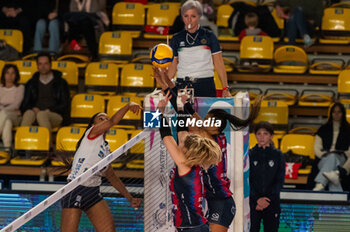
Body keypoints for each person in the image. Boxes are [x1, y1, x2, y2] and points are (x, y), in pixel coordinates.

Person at [154, 67, 262, 232]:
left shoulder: (208, 142)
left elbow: (176, 127)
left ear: (216, 127)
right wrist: (165, 82)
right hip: (211, 202)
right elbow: (182, 113)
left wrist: (166, 105)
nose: (202, 121)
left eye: (207, 120)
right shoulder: (208, 137)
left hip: (221, 202)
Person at [60, 102, 142, 231]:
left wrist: (130, 198)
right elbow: (114, 121)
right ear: (94, 125)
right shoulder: (91, 133)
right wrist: (128, 106)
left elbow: (111, 176)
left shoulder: (106, 148)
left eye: (106, 119)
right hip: (75, 188)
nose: (105, 121)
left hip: (93, 192)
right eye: (101, 119)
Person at [158, 92, 222, 232]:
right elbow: (182, 133)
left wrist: (160, 112)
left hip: (191, 228)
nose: (181, 142)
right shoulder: (194, 162)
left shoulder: (183, 163)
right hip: (197, 226)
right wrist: (180, 107)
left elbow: (166, 136)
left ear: (187, 150)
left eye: (183, 144)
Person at [167, 0, 231, 98]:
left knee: (206, 114)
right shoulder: (176, 38)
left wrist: (225, 88)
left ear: (199, 16)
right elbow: (172, 66)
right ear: (182, 17)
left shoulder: (209, 35)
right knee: (184, 113)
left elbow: (219, 63)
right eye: (186, 16)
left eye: (193, 16)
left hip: (206, 84)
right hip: (183, 85)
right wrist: (165, 87)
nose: (189, 20)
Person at [249, 121, 285, 232]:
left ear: (271, 136)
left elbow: (280, 180)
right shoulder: (249, 154)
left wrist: (267, 200)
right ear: (255, 136)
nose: (262, 137)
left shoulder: (278, 155)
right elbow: (248, 180)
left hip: (272, 203)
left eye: (265, 134)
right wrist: (257, 200)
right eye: (259, 133)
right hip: (254, 204)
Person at [20, 52, 70, 132]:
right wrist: (33, 108)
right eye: (40, 64)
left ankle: (47, 143)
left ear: (50, 64)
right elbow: (24, 104)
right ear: (37, 66)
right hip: (36, 113)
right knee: (29, 113)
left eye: (46, 63)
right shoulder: (31, 83)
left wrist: (50, 110)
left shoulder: (61, 82)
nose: (43, 67)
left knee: (42, 115)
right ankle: (22, 141)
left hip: (55, 114)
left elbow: (65, 104)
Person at [312, 102, 350, 191]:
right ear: (331, 113)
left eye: (339, 112)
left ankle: (320, 183)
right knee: (332, 176)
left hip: (341, 159)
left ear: (343, 114)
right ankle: (340, 202)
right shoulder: (323, 129)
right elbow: (316, 149)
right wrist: (325, 155)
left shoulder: (349, 130)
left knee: (333, 157)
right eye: (334, 112)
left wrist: (341, 153)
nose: (336, 114)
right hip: (324, 158)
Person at [0, 64, 24, 151]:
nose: (10, 76)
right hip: (4, 117)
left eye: (13, 73)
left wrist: (2, 108)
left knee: (4, 113)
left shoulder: (20, 88)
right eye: (7, 73)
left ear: (16, 75)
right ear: (3, 74)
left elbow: (16, 105)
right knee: (7, 122)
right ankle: (7, 149)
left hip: (16, 116)